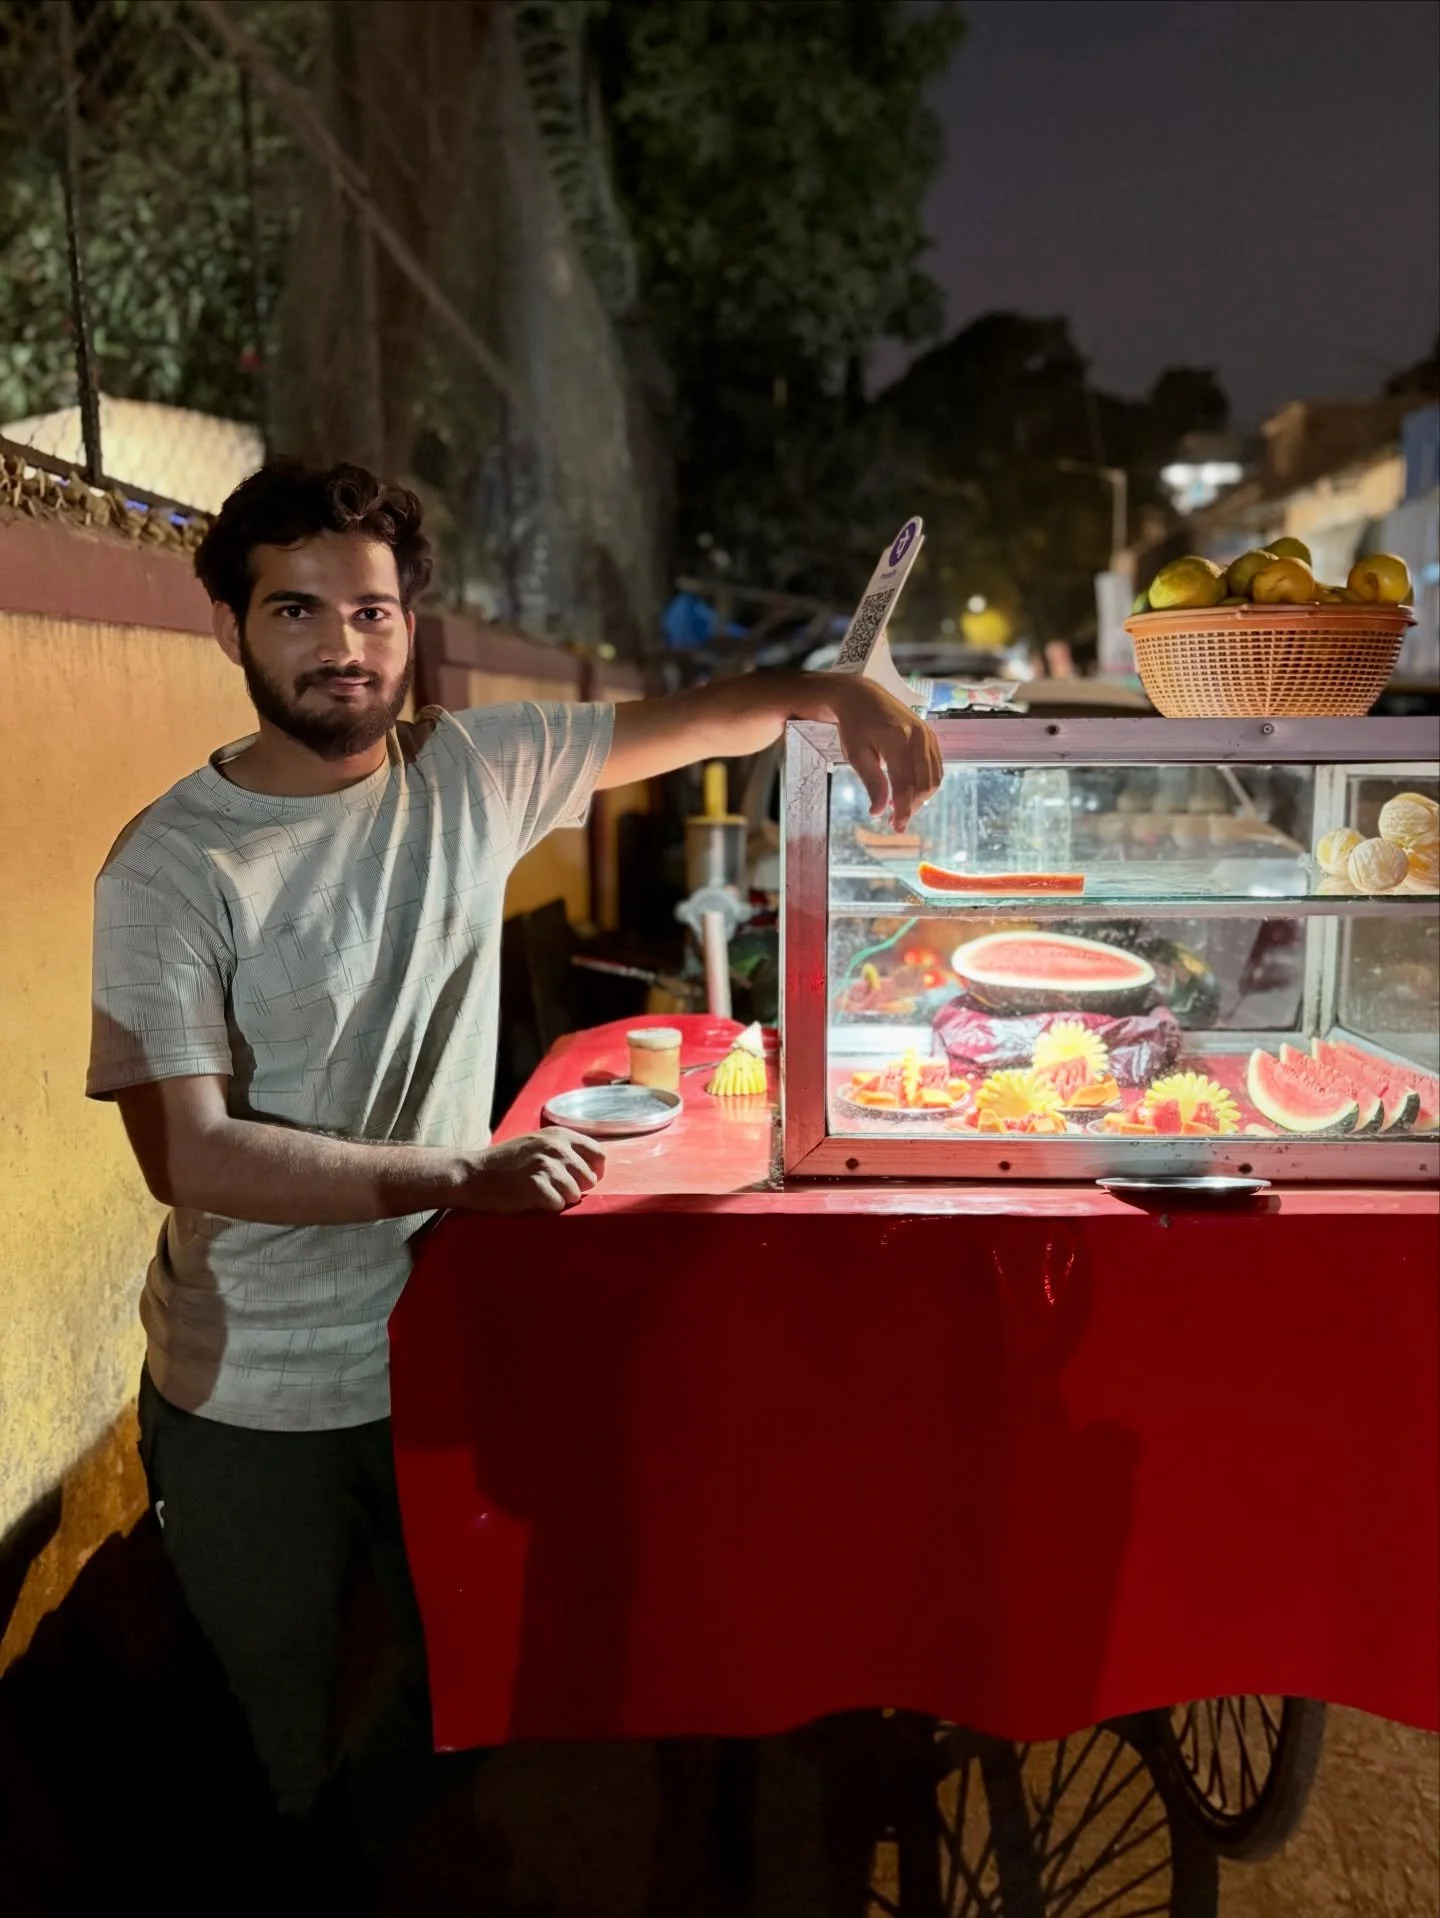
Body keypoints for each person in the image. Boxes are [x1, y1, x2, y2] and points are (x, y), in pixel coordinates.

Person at [86, 458, 940, 1876]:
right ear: (228, 629)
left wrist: (836, 692)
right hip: (250, 1396)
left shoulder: (472, 774)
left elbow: (689, 720)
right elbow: (191, 1149)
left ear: (411, 626)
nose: (341, 647)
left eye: (372, 612)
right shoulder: (172, 871)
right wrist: (455, 1175)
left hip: (439, 1348)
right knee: (274, 1757)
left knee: (471, 1693)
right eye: (295, 611)